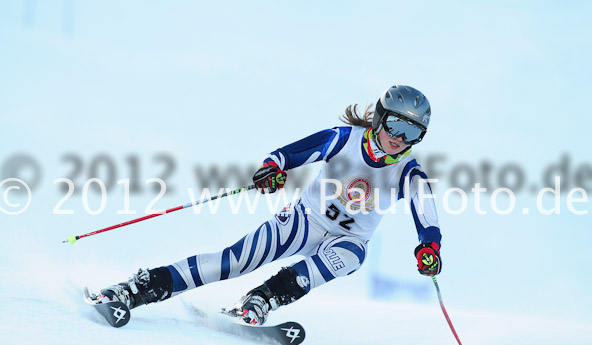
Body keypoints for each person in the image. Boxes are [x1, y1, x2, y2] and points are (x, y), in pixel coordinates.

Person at [94, 85, 443, 325]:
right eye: (395, 124)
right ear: (380, 119)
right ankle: (138, 288)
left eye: (411, 132)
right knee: (232, 262)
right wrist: (272, 169)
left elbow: (427, 216)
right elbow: (289, 154)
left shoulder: (410, 173)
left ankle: (263, 299)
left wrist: (430, 247)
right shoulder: (344, 139)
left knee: (353, 255)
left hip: (347, 239)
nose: (399, 138)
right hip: (305, 220)